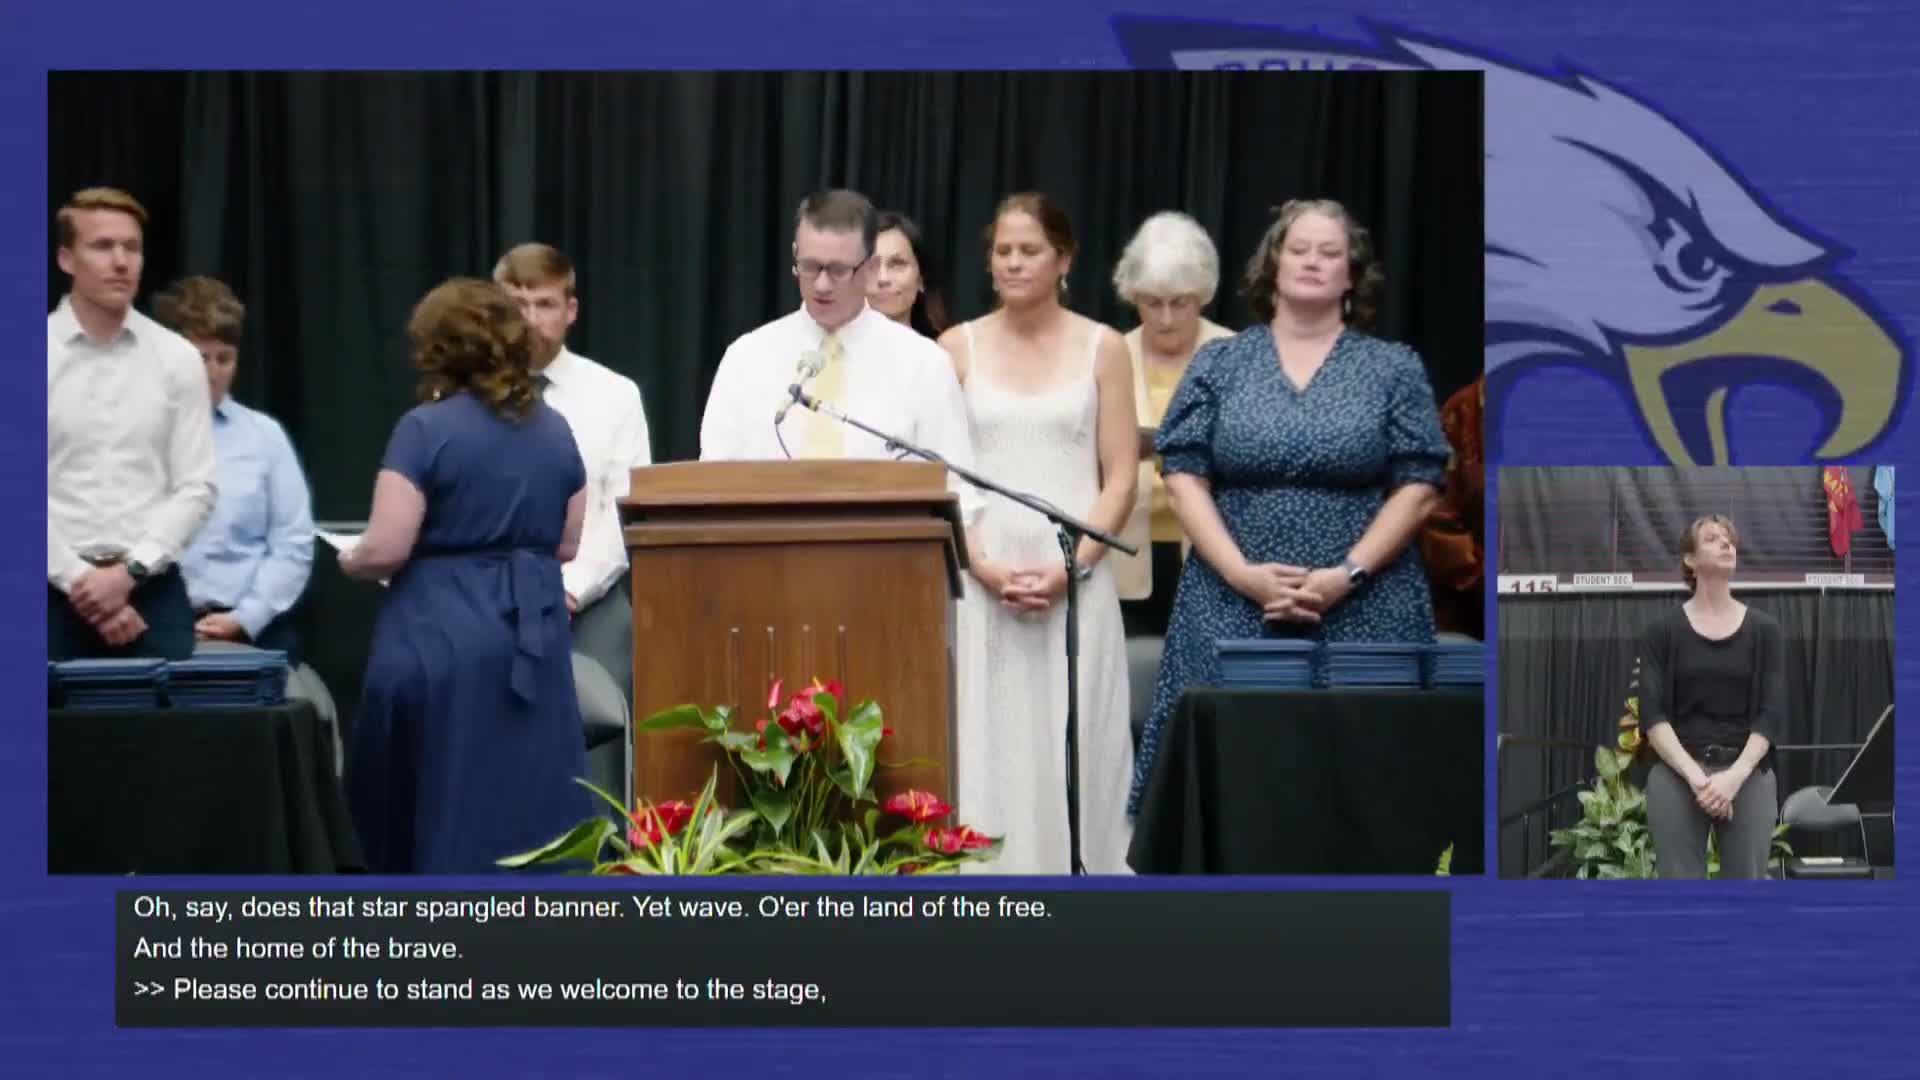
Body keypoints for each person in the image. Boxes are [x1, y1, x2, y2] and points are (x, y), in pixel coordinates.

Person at [1126, 198, 1451, 819]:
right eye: (1298, 249)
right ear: (1272, 265)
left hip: (1366, 604)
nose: (1312, 262)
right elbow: (1185, 473)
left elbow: (1420, 484)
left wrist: (1347, 575)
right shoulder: (1219, 362)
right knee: (1230, 784)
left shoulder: (1393, 367)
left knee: (1368, 786)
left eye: (1330, 252)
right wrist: (1242, 574)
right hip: (1229, 599)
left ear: (1352, 274)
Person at [342, 278, 592, 874]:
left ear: (439, 348)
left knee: (434, 791)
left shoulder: (425, 430)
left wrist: (348, 558)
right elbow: (568, 539)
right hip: (533, 630)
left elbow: (386, 546)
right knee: (531, 791)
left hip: (439, 628)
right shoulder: (556, 428)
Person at [939, 192, 1138, 874]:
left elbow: (1119, 480)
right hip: (980, 579)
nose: (1013, 263)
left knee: (1076, 739)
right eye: (1002, 251)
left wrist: (1072, 567)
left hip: (1074, 579)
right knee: (986, 740)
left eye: (1029, 250)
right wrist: (979, 563)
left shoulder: (1104, 348)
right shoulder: (954, 348)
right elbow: (940, 479)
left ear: (1064, 259)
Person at [699, 189, 980, 524]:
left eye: (837, 270)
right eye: (809, 266)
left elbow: (956, 491)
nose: (821, 285)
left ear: (870, 267)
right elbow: (710, 483)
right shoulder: (746, 358)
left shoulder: (922, 363)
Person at [47, 187, 217, 662]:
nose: (121, 261)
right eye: (102, 246)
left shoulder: (177, 358)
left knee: (165, 736)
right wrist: (82, 584)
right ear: (66, 258)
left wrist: (128, 574)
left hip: (151, 588)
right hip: (46, 586)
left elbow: (196, 486)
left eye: (132, 247)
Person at [493, 243, 652, 701]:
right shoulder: (464, 399)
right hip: (489, 606)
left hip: (588, 608)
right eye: (516, 304)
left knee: (593, 764)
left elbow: (624, 513)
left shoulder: (615, 396)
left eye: (544, 304)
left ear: (571, 310)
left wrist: (566, 592)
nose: (529, 319)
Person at [152, 275, 315, 666]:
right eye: (198, 358)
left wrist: (247, 618)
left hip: (251, 628)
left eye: (223, 358)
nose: (211, 372)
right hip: (153, 623)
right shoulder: (137, 432)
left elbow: (292, 543)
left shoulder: (264, 436)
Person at [1108, 211, 1235, 638]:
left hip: (1216, 552)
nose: (1164, 318)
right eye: (1151, 302)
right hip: (1124, 557)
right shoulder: (1109, 353)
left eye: (1179, 302)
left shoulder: (1236, 355)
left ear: (1203, 294)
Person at [1636, 515, 1783, 880]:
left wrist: (1733, 777)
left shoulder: (1766, 631)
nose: (1726, 544)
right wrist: (1698, 780)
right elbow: (1653, 715)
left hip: (1748, 774)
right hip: (1676, 774)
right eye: (1712, 538)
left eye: (1729, 539)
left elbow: (1771, 713)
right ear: (1689, 560)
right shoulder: (1661, 632)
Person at [867, 210, 950, 339]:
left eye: (897, 264)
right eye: (871, 266)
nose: (883, 278)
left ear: (921, 279)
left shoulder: (942, 353)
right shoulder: (831, 351)